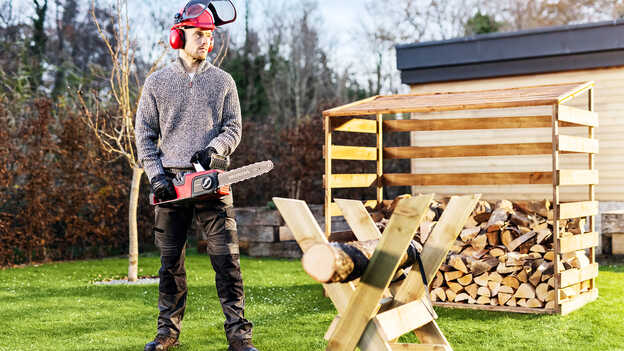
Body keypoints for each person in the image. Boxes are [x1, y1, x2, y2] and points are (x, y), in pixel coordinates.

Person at [134, 1, 257, 350]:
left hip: (212, 182)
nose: (206, 42)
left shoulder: (223, 82)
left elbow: (234, 127)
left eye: (210, 36)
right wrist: (156, 176)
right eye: (200, 34)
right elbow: (144, 135)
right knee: (170, 264)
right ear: (179, 35)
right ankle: (166, 333)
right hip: (171, 185)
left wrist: (215, 151)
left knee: (227, 262)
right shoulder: (157, 83)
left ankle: (239, 336)